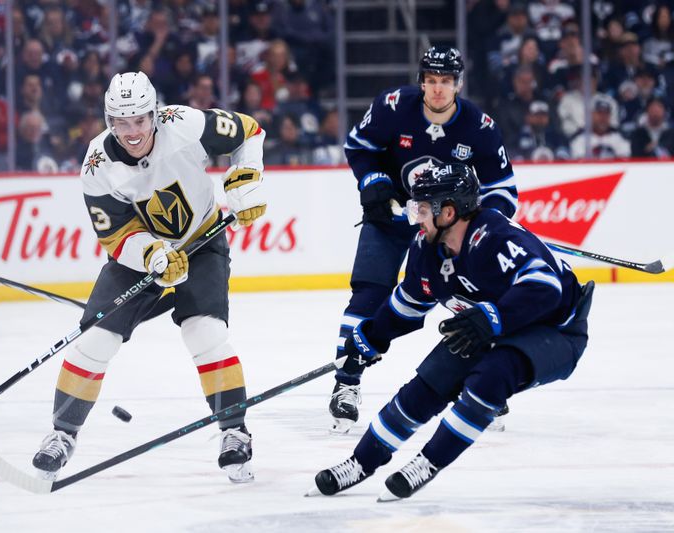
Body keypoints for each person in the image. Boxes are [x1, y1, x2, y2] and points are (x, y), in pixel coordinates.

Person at [32, 71, 267, 484]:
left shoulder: (186, 125)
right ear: (109, 121)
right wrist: (151, 253)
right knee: (95, 339)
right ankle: (62, 435)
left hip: (202, 240)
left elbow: (249, 131)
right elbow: (115, 234)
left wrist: (245, 179)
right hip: (141, 256)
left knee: (205, 333)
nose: (132, 131)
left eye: (139, 120)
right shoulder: (96, 165)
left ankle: (234, 432)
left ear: (153, 114)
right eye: (121, 122)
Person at [309, 163, 593, 501]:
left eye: (423, 209)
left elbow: (545, 287)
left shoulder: (494, 237)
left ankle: (428, 462)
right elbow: (406, 307)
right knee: (431, 381)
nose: (416, 217)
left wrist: (492, 317)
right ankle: (360, 462)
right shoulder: (425, 249)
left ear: (449, 211)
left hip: (557, 330)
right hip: (495, 325)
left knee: (493, 374)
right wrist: (369, 338)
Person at [329, 45, 518, 434]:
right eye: (431, 81)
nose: (437, 90)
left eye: (445, 82)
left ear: (458, 84)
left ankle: (483, 385)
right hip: (392, 218)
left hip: (447, 231)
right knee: (368, 297)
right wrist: (374, 181)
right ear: (422, 82)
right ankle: (346, 383)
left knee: (471, 302)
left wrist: (483, 222)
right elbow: (359, 146)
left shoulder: (480, 128)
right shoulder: (393, 106)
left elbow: (503, 188)